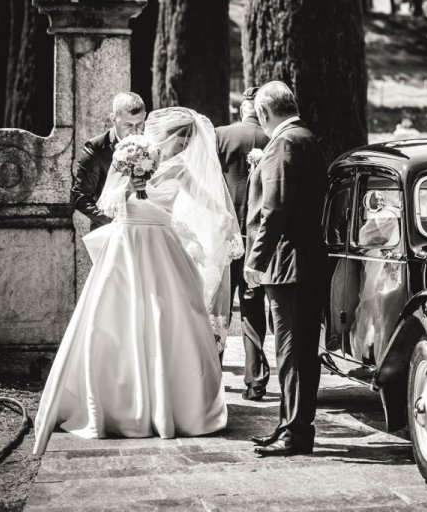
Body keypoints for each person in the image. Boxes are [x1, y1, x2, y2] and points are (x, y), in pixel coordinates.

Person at [32, 107, 240, 456]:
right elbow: (108, 205)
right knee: (115, 319)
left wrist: (223, 219)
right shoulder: (131, 153)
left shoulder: (182, 168)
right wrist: (130, 182)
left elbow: (208, 200)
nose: (185, 143)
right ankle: (117, 404)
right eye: (181, 136)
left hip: (163, 245)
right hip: (126, 246)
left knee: (171, 319)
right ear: (166, 135)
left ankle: (173, 403)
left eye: (188, 138)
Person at [245, 82, 328, 457]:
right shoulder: (307, 137)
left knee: (292, 351)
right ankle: (289, 426)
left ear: (264, 113)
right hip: (306, 263)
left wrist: (255, 260)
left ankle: (295, 433)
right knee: (299, 352)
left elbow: (274, 208)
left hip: (289, 264)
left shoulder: (283, 142)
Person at [215, 87, 271, 397]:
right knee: (253, 307)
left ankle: (213, 374)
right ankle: (256, 381)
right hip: (257, 238)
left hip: (224, 236)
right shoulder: (271, 138)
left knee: (220, 308)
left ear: (241, 110)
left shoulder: (220, 136)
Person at [72, 92, 146, 229]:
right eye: (128, 125)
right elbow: (80, 197)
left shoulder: (149, 145)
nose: (135, 131)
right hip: (111, 231)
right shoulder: (96, 148)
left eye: (139, 124)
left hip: (145, 228)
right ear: (113, 119)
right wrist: (111, 222)